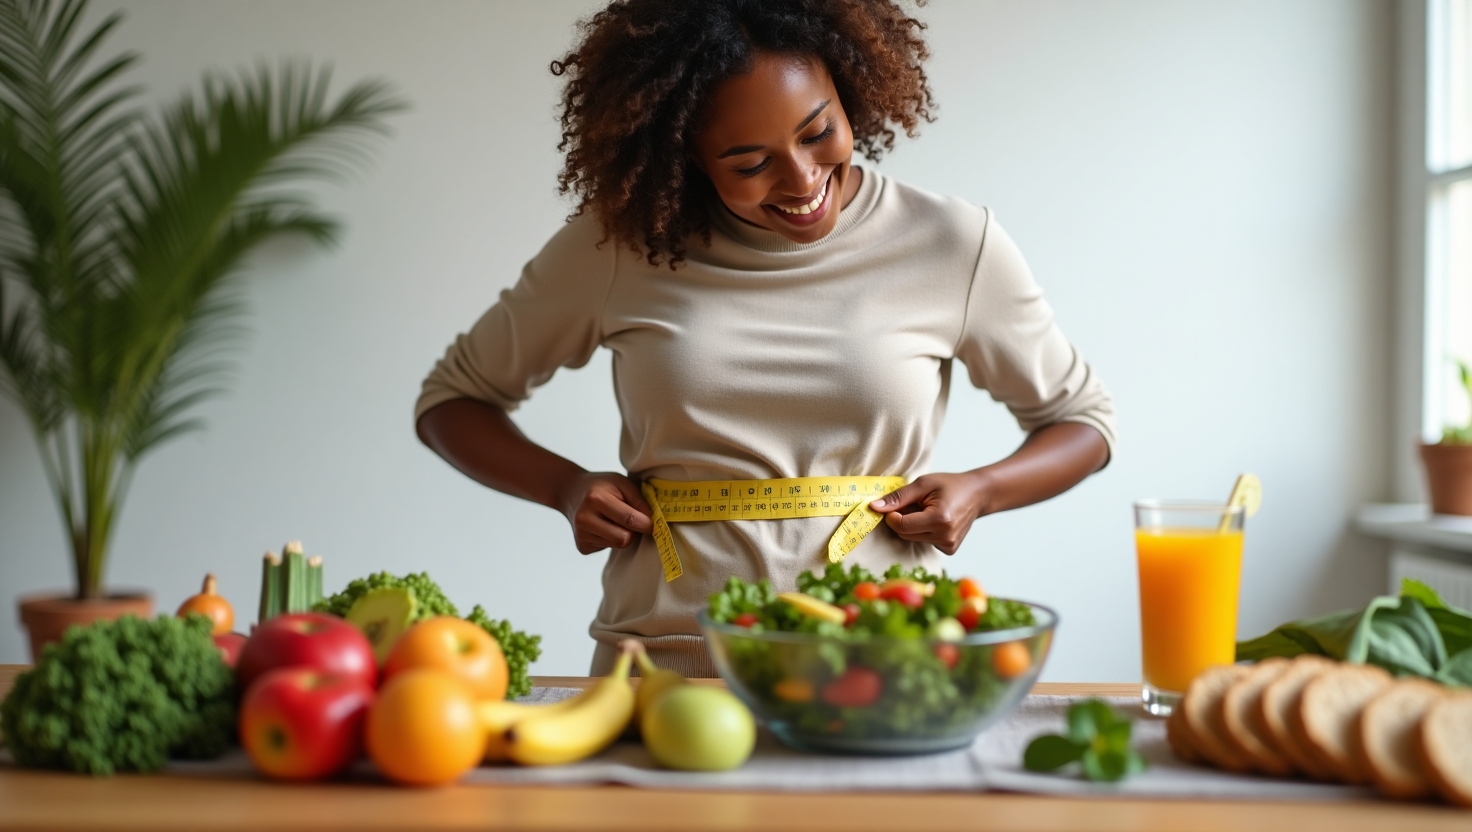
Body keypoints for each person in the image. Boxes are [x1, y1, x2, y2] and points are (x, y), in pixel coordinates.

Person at [415, 0, 1115, 677]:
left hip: (880, 659)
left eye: (818, 133)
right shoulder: (621, 247)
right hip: (665, 661)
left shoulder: (953, 243)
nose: (804, 179)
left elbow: (1082, 423)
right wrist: (566, 488)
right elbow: (454, 402)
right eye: (750, 164)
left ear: (850, 91)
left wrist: (982, 489)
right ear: (686, 153)